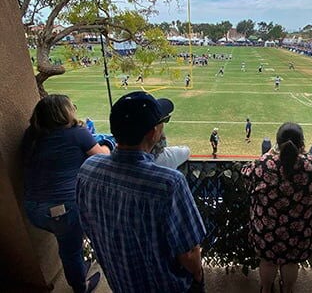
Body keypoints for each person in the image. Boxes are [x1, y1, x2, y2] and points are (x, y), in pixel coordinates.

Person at [76, 91, 206, 292]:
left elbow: (87, 225)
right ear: (153, 133)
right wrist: (197, 275)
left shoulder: (88, 169)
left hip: (120, 281)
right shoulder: (168, 183)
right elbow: (189, 253)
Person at [22, 95, 111, 293]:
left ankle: (78, 268)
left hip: (32, 209)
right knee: (70, 250)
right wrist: (106, 144)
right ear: (64, 112)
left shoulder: (31, 134)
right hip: (61, 210)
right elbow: (103, 157)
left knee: (69, 246)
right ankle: (81, 286)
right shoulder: (77, 133)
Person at [241, 123, 312, 293]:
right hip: (299, 230)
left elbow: (246, 177)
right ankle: (288, 290)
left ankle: (266, 289)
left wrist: (268, 154)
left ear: (277, 142)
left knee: (268, 262)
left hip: (267, 229)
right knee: (291, 263)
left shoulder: (264, 165)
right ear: (302, 143)